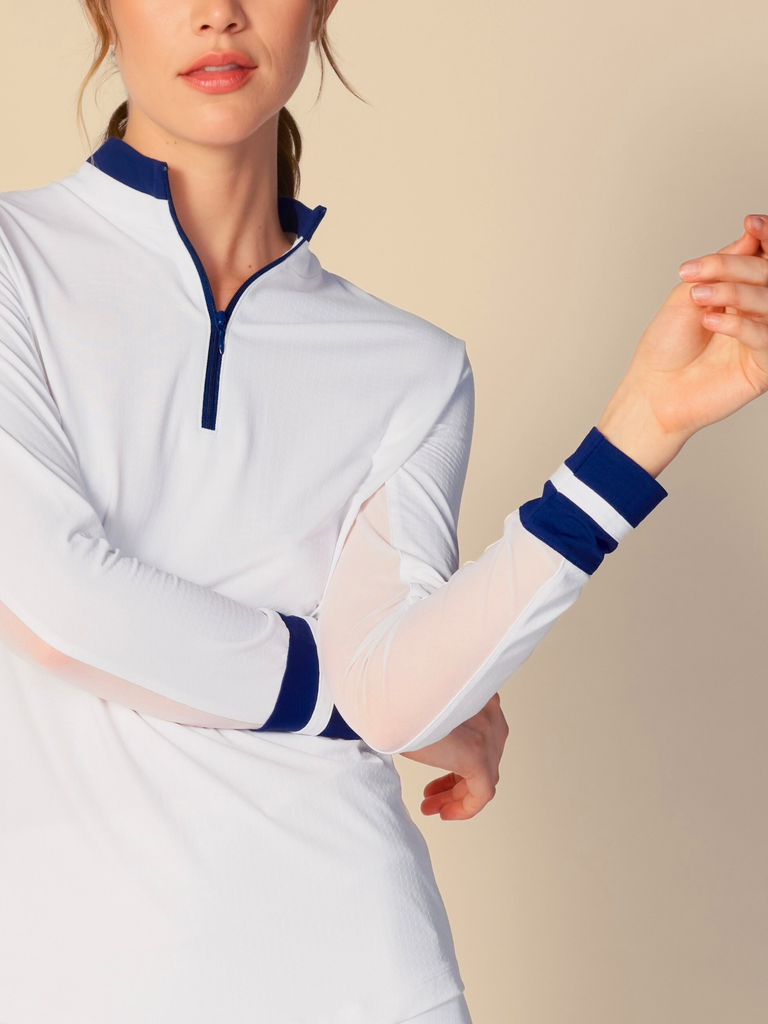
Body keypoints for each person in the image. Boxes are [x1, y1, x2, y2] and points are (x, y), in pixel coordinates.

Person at [0, 1, 767, 1021]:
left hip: (362, 966)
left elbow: (398, 698)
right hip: (79, 973)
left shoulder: (412, 365)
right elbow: (55, 601)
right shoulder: (14, 263)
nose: (219, 12)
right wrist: (355, 696)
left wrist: (643, 429)